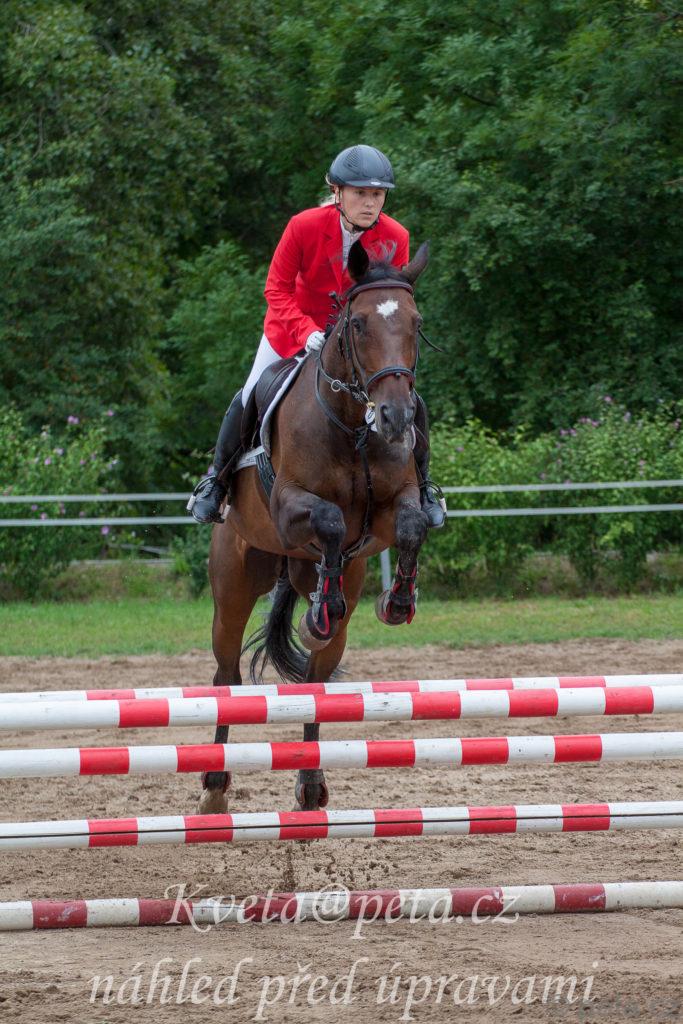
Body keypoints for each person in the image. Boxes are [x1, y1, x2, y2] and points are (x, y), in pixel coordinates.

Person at [187, 144, 445, 527]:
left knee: (408, 398)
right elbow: (276, 289)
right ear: (337, 192)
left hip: (356, 344)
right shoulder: (303, 226)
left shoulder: (396, 235)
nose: (370, 203)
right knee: (250, 392)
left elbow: (391, 301)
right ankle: (216, 481)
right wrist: (305, 330)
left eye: (377, 194)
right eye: (360, 193)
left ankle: (424, 487)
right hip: (292, 330)